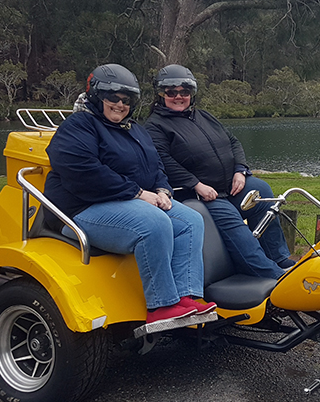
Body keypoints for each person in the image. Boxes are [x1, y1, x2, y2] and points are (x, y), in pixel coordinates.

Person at [43, 63, 214, 328]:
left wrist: (162, 190)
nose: (120, 105)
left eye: (127, 100)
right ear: (97, 97)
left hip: (128, 203)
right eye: (113, 98)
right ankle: (162, 306)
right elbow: (82, 171)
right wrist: (136, 193)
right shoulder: (79, 126)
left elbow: (155, 164)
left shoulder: (134, 129)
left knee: (191, 221)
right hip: (81, 209)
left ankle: (186, 298)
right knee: (153, 223)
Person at [145, 64, 293, 280]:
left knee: (262, 192)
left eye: (184, 92)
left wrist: (240, 170)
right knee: (229, 217)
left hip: (228, 186)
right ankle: (270, 273)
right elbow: (164, 161)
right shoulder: (155, 126)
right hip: (196, 195)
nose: (179, 97)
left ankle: (279, 258)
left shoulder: (203, 116)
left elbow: (232, 142)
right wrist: (196, 184)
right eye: (171, 92)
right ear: (161, 95)